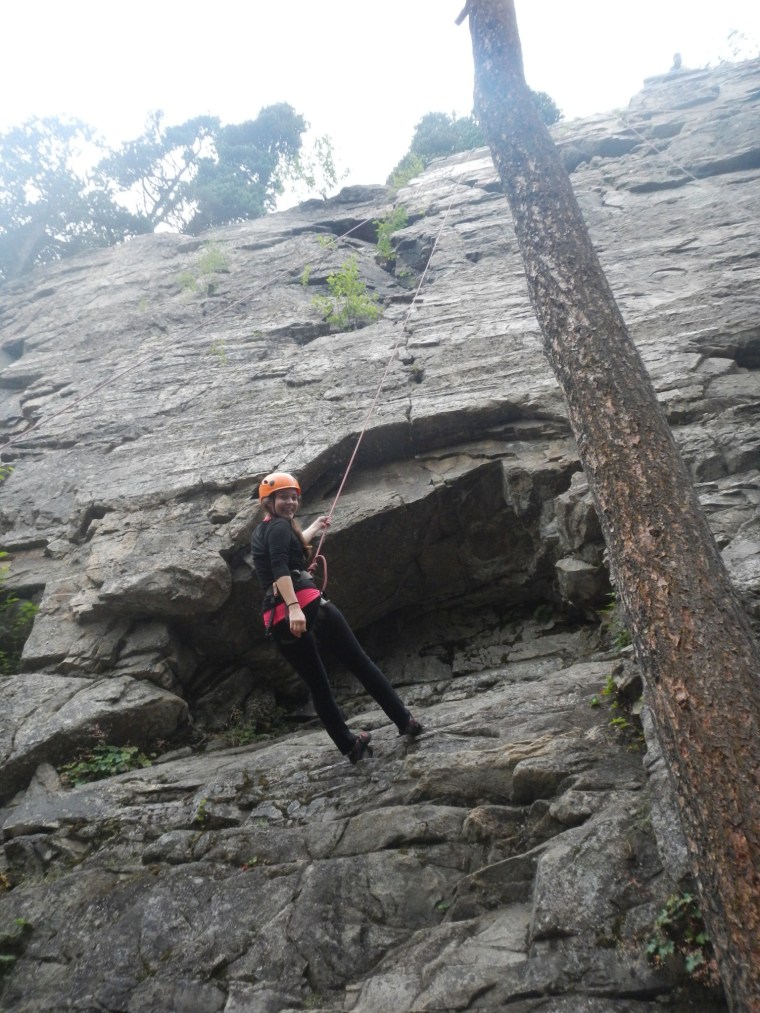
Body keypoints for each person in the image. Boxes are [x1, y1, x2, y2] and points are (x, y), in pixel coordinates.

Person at [251, 471, 422, 764]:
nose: (290, 503)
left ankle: (350, 746)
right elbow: (281, 567)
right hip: (304, 603)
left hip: (275, 617)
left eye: (293, 498)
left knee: (318, 685)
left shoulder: (264, 530)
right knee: (359, 662)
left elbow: (286, 556)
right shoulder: (280, 527)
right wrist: (294, 606)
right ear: (268, 501)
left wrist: (315, 528)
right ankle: (404, 720)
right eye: (283, 497)